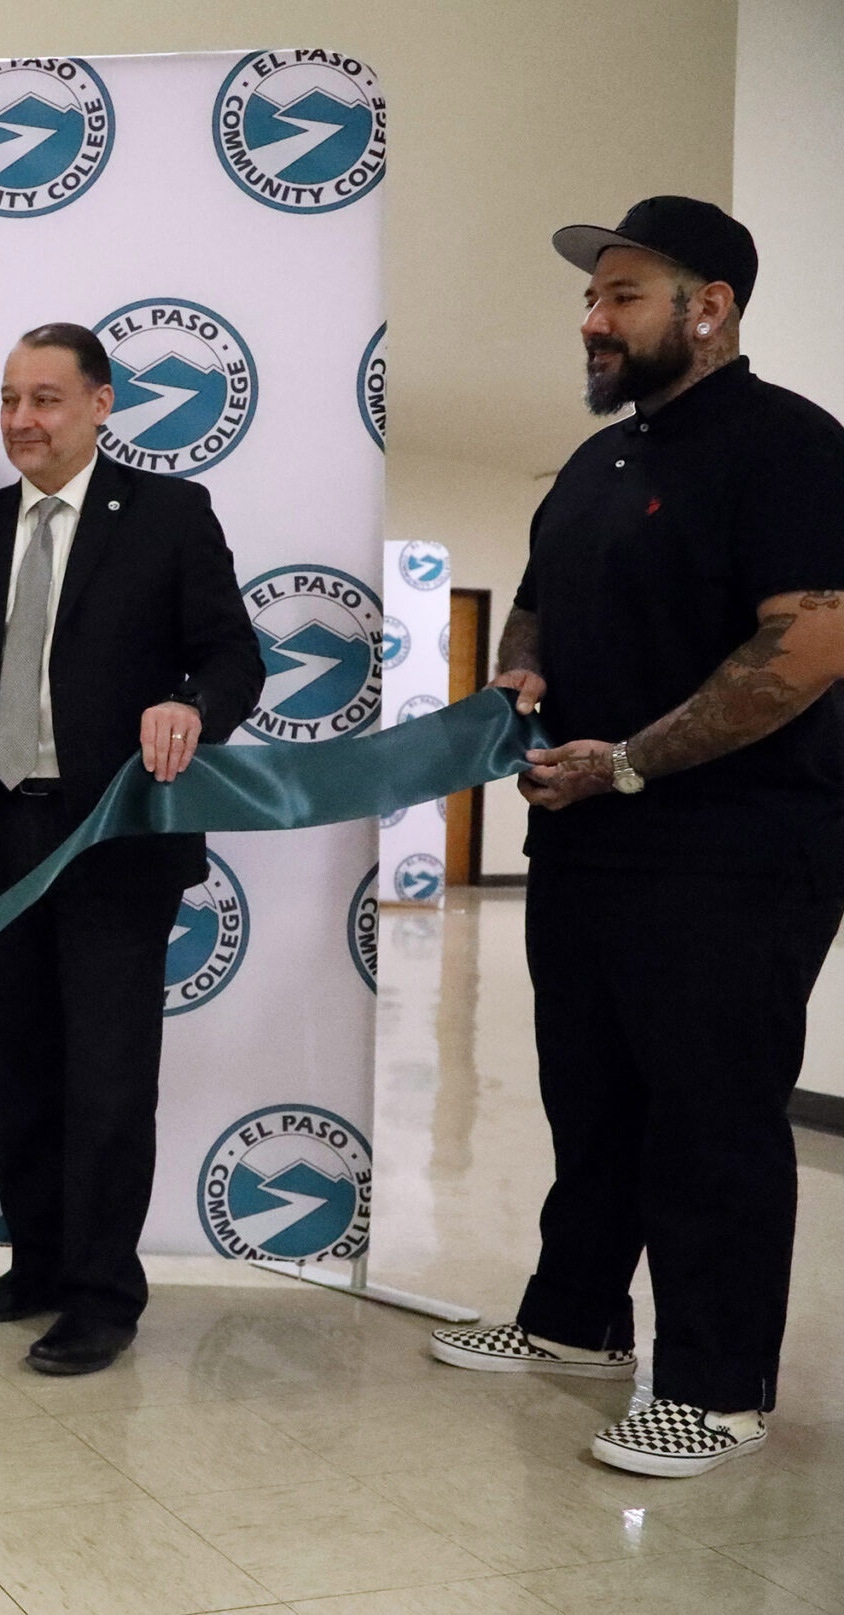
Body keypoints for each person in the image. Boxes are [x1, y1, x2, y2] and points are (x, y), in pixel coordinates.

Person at [428, 198, 844, 1478]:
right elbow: (536, 605)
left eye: (620, 296)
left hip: (735, 850)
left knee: (710, 1116)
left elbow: (808, 644)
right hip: (588, 838)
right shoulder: (596, 462)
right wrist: (520, 675)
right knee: (590, 1094)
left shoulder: (792, 448)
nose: (590, 320)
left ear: (707, 306)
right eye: (590, 298)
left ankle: (716, 1388)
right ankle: (575, 1319)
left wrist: (627, 761)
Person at [0, 323, 263, 1376]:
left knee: (105, 1079)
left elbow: (233, 655)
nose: (21, 419)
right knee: (18, 1071)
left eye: (45, 399)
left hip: (113, 839)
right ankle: (40, 1266)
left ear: (102, 404)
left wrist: (192, 706)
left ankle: (102, 1296)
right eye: (10, 399)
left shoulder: (170, 516)